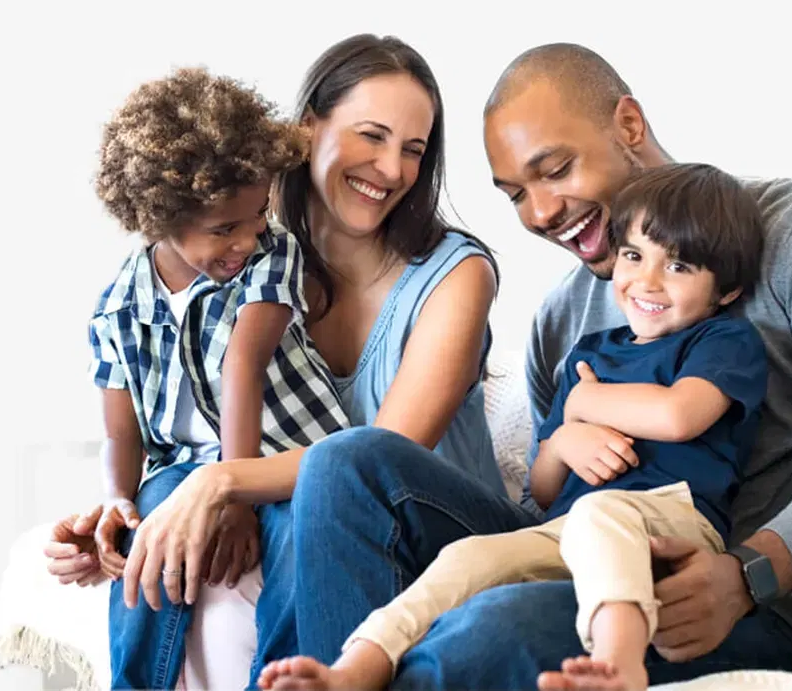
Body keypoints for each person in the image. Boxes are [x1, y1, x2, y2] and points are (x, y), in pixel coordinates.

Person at [285, 42, 792, 689]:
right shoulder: (563, 318)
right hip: (582, 550)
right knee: (346, 464)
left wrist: (749, 574)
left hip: (720, 594)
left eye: (556, 169)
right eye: (515, 195)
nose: (539, 214)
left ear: (627, 125)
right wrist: (565, 440)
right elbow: (549, 496)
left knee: (488, 630)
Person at [44, 34, 505, 690]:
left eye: (413, 149)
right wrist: (124, 512)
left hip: (433, 528)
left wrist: (223, 481)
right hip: (313, 511)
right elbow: (175, 411)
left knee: (322, 482)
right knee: (170, 498)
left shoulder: (455, 275)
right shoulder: (244, 254)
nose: (393, 169)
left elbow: (382, 457)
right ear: (308, 128)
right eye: (371, 136)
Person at [260, 163, 769, 691]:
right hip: (567, 531)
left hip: (673, 524)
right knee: (468, 557)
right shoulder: (590, 353)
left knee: (602, 511)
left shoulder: (722, 341)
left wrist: (586, 402)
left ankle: (620, 664)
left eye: (679, 267)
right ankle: (355, 669)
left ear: (726, 290)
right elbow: (545, 490)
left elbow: (678, 415)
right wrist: (566, 437)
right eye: (635, 255)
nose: (647, 281)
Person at [56, 66, 354, 689]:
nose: (246, 239)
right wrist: (118, 499)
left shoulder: (273, 253)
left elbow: (241, 364)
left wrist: (237, 494)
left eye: (255, 217)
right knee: (148, 543)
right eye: (224, 228)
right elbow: (122, 433)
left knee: (306, 542)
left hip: (286, 460)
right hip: (183, 468)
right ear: (159, 217)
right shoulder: (117, 308)